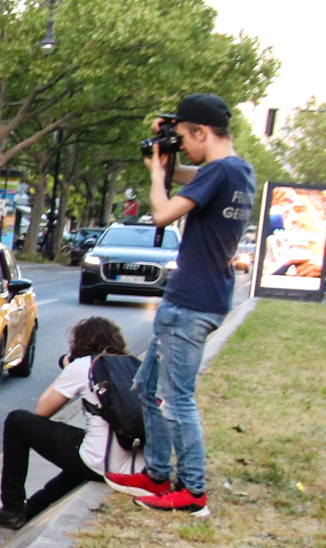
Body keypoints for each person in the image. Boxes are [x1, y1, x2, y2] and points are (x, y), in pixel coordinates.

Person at [103, 93, 256, 517]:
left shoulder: (219, 171)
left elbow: (163, 214)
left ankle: (192, 492)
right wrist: (166, 153)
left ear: (203, 132)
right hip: (200, 297)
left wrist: (156, 174)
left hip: (191, 303)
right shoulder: (239, 172)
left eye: (186, 138)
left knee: (176, 399)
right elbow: (192, 175)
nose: (184, 147)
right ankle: (156, 474)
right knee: (149, 388)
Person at [0, 317, 136, 530]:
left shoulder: (85, 365)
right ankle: (31, 509)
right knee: (80, 450)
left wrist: (68, 369)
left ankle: (11, 509)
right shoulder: (135, 365)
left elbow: (43, 410)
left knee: (17, 421)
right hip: (132, 465)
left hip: (101, 463)